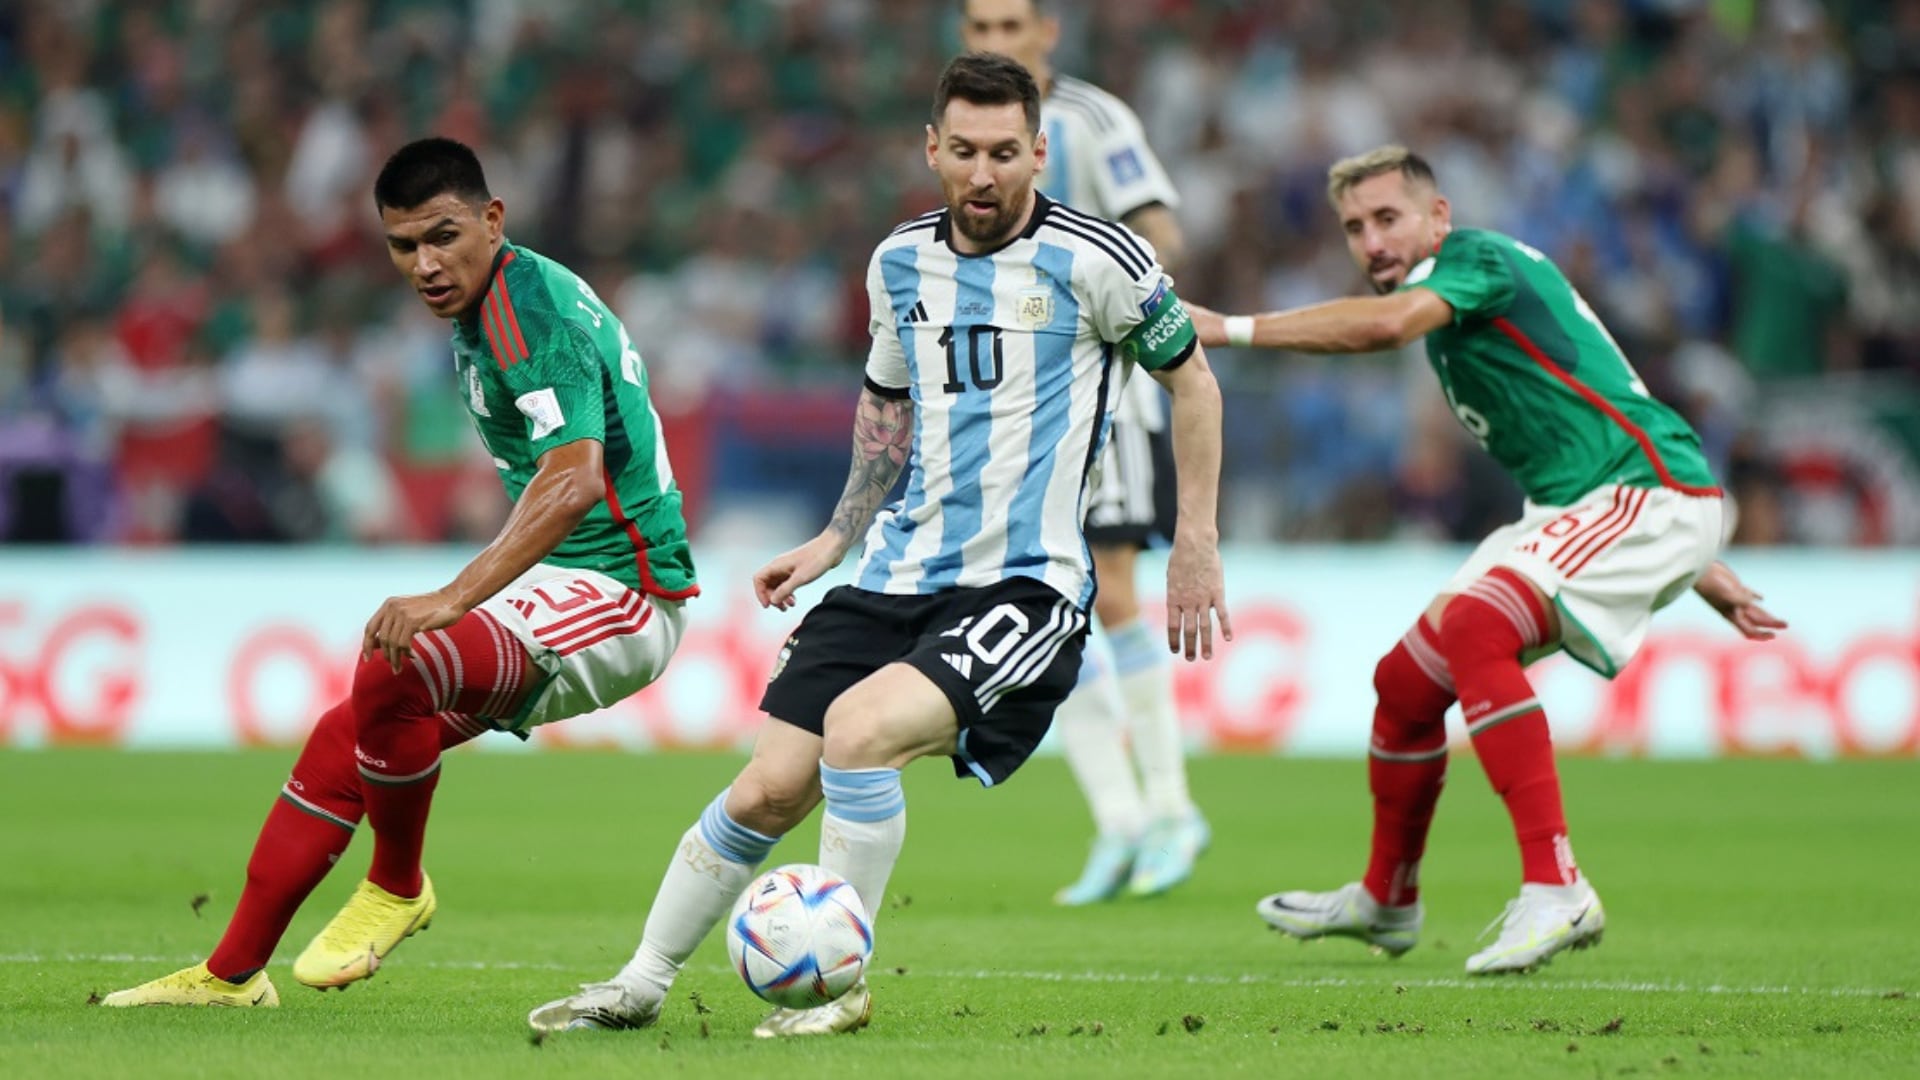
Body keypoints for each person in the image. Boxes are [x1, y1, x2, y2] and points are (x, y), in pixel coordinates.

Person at [527, 53, 1229, 1039]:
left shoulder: (1099, 258)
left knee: (860, 733)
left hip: (1023, 586)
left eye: (1005, 153)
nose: (983, 174)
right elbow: (886, 409)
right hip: (894, 572)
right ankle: (639, 984)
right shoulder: (898, 262)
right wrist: (835, 537)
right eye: (965, 151)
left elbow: (1193, 382)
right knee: (768, 788)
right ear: (931, 148)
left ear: (1038, 153)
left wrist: (1195, 540)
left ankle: (842, 988)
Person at [102, 137, 699, 1006]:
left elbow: (574, 481)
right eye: (403, 245)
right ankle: (230, 976)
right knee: (346, 736)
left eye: (443, 236)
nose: (425, 264)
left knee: (402, 661)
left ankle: (396, 886)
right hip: (565, 578)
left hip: (627, 591)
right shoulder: (490, 306)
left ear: (493, 220)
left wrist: (451, 596)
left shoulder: (526, 311)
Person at [1187, 146, 1786, 975]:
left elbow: (1384, 327)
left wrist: (1228, 328)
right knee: (1405, 684)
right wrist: (1698, 566)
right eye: (1355, 228)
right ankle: (1386, 898)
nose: (1371, 242)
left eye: (1387, 218)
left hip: (1641, 491)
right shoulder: (1461, 309)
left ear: (1439, 216)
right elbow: (1603, 394)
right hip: (1597, 503)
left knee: (1476, 627)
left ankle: (1557, 886)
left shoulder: (1475, 262)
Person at [960, 0, 1208, 906]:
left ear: (1047, 31)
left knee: (1115, 589)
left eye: (1010, 25)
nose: (996, 42)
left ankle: (1172, 809)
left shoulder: (1093, 120)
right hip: (1015, 401)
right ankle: (1120, 820)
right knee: (1042, 601)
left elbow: (1163, 231)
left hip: (1110, 391)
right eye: (980, 28)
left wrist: (1106, 293)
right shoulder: (971, 136)